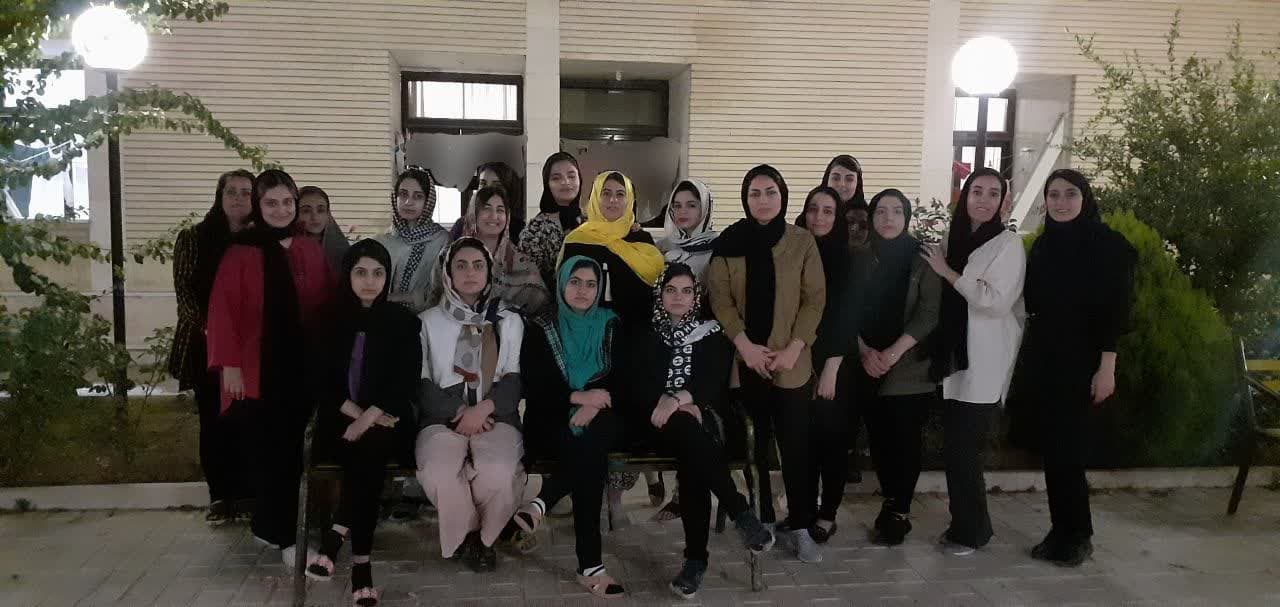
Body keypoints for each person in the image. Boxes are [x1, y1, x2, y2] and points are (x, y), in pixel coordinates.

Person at [206, 169, 334, 566]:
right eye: (271, 202)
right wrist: (229, 365)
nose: (281, 210)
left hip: (301, 367)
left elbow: (325, 304)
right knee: (268, 453)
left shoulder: (308, 248)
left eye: (287, 202)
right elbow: (222, 310)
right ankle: (284, 537)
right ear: (258, 206)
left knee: (292, 451)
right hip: (256, 369)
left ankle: (269, 526)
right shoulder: (242, 251)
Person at [631, 263, 776, 598]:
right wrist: (666, 403)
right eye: (670, 290)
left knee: (692, 448)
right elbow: (635, 382)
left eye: (686, 291)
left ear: (696, 296)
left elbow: (711, 381)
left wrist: (679, 400)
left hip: (700, 417)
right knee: (691, 439)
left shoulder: (711, 333)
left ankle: (696, 561)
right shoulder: (644, 332)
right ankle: (740, 513)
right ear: (660, 294)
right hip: (651, 421)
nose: (678, 297)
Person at [707, 164, 826, 563]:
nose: (763, 200)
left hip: (792, 360)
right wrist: (745, 346)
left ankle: (801, 524)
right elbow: (720, 299)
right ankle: (764, 519)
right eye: (754, 193)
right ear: (745, 199)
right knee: (754, 447)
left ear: (783, 195)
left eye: (770, 192)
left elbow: (815, 299)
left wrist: (794, 348)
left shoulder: (802, 242)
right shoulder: (729, 243)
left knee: (796, 447)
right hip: (747, 361)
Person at [1021, 169, 1134, 566]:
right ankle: (1060, 529)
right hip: (1047, 359)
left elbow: (1117, 312)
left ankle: (1079, 535)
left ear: (1084, 198)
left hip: (1085, 361)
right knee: (1053, 450)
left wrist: (1107, 367)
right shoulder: (1043, 246)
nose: (1061, 202)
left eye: (1070, 193)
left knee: (1070, 451)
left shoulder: (1109, 246)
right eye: (1053, 194)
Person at [304, 239, 421, 607]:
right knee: (367, 460)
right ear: (348, 275)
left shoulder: (403, 321)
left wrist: (370, 417)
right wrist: (360, 417)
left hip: (389, 420)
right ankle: (360, 567)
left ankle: (337, 538)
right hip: (339, 420)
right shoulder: (326, 319)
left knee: (371, 448)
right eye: (361, 272)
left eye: (378, 273)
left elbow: (405, 382)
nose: (370, 281)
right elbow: (319, 382)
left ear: (388, 277)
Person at [920, 167, 1026, 556]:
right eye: (976, 191)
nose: (983, 199)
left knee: (964, 451)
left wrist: (947, 272)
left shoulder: (1007, 244)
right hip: (954, 358)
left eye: (993, 193)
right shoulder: (957, 237)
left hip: (983, 361)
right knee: (955, 450)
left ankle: (973, 532)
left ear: (1003, 201)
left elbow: (994, 301)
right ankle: (963, 524)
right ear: (965, 197)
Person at [510, 256, 629, 598]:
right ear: (562, 284)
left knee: (588, 447)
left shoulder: (611, 323)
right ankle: (589, 566)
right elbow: (535, 385)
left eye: (591, 284)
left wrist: (594, 404)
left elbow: (625, 379)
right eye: (575, 282)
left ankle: (541, 503)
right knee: (588, 457)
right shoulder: (541, 326)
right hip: (551, 418)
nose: (582, 291)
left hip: (602, 415)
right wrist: (579, 397)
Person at [560, 170, 666, 525]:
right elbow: (564, 290)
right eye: (605, 193)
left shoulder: (642, 240)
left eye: (621, 194)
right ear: (594, 198)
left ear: (630, 200)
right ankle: (583, 492)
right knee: (588, 418)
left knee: (625, 414)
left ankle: (616, 498)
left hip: (629, 346)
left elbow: (652, 296)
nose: (613, 200)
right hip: (586, 344)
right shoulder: (578, 240)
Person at [416, 238, 526, 572]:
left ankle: (483, 540)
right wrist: (458, 412)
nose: (470, 273)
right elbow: (421, 381)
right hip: (442, 416)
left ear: (490, 272)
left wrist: (483, 409)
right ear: (448, 273)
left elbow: (515, 375)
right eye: (460, 265)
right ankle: (471, 536)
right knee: (437, 470)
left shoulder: (508, 320)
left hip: (495, 414)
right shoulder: (427, 322)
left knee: (500, 470)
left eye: (478, 265)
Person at [840, 188, 941, 546]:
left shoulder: (924, 258)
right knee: (880, 439)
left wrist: (893, 354)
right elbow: (845, 309)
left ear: (907, 217)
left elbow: (929, 312)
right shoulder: (859, 256)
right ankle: (890, 501)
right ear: (871, 217)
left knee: (905, 441)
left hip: (909, 365)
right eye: (881, 211)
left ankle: (899, 511)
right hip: (866, 363)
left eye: (896, 211)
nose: (888, 218)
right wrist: (865, 352)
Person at [168, 169, 254, 526]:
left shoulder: (258, 240)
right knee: (213, 420)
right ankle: (220, 495)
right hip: (204, 343)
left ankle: (246, 494)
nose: (238, 198)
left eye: (246, 192)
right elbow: (185, 294)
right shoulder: (193, 239)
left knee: (245, 420)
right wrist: (213, 331)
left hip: (249, 346)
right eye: (231, 191)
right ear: (220, 196)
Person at [794, 185, 851, 544]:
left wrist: (830, 369)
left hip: (834, 362)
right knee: (804, 442)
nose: (819, 217)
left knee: (831, 441)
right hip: (799, 358)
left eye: (828, 211)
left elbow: (846, 316)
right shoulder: (795, 250)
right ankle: (802, 509)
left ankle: (827, 513)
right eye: (813, 209)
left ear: (837, 217)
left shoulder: (846, 257)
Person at [444, 185, 548, 313]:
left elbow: (538, 306)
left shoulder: (521, 263)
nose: (494, 216)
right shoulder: (449, 256)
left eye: (500, 210)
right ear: (473, 213)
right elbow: (436, 297)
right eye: (486, 209)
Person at [375, 167, 450, 313]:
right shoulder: (383, 240)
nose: (408, 202)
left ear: (428, 201)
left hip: (426, 319)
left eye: (418, 196)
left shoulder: (441, 240)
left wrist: (398, 297)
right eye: (403, 194)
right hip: (385, 316)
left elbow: (442, 290)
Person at [521, 152, 583, 287]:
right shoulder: (535, 230)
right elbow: (527, 283)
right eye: (556, 178)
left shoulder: (589, 223)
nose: (565, 182)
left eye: (571, 176)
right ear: (547, 184)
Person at [656, 179, 718, 280]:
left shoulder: (717, 248)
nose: (682, 211)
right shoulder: (662, 246)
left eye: (691, 205)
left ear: (704, 208)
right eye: (677, 206)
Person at [455, 162, 525, 242]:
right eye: (483, 184)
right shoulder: (461, 225)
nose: (488, 190)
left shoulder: (520, 231)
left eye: (497, 185)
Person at [296, 185, 350, 277]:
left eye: (320, 210)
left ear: (328, 214)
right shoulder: (286, 249)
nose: (314, 217)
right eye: (306, 211)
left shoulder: (342, 250)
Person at [821, 154, 870, 252]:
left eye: (849, 179)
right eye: (836, 178)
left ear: (857, 184)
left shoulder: (866, 218)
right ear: (827, 180)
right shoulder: (813, 212)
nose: (842, 184)